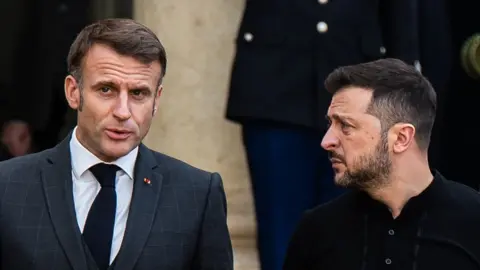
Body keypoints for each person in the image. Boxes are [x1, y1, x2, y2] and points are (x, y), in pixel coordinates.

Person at [0, 18, 233, 270]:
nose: (123, 111)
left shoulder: (197, 195)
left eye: (138, 93)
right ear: (73, 92)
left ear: (157, 99)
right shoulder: (6, 186)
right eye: (106, 89)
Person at [225, 1, 420, 269]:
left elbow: (399, 20)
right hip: (276, 88)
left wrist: (403, 95)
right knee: (282, 235)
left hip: (362, 89)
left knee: (349, 234)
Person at [283, 58, 480, 270]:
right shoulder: (317, 230)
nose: (326, 141)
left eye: (346, 126)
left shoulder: (473, 221)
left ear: (402, 138)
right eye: (331, 124)